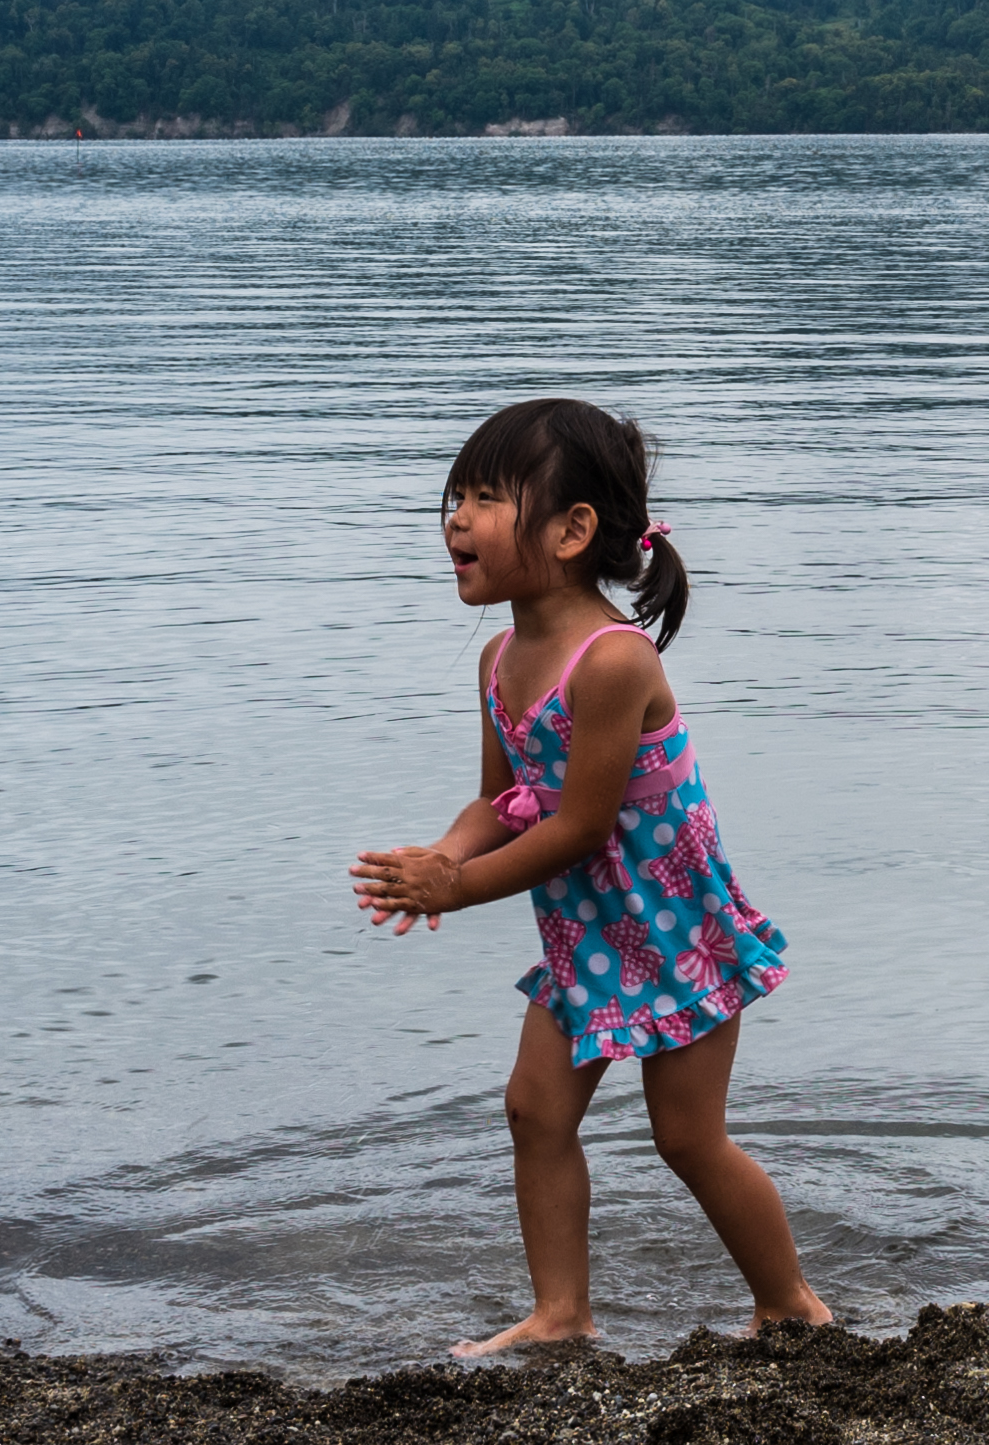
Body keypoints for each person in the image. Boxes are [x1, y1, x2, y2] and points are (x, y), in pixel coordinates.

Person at [349, 398, 830, 1355]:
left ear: (571, 532)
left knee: (688, 1138)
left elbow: (577, 826)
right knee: (532, 1112)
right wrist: (443, 855)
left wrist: (461, 890)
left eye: (485, 497)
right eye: (455, 495)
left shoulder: (612, 659)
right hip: (584, 941)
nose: (455, 518)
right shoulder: (497, 659)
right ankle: (560, 1314)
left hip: (674, 934)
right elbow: (502, 801)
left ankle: (791, 1307)